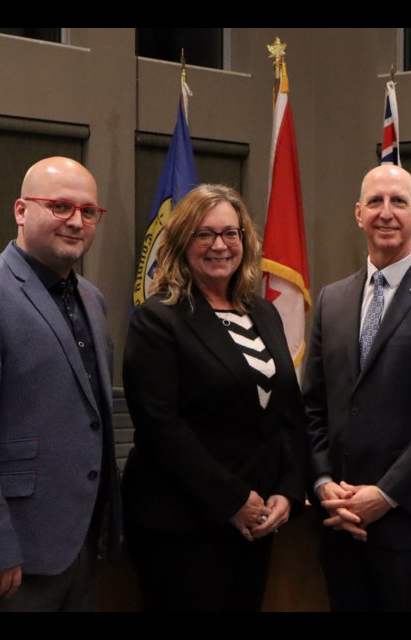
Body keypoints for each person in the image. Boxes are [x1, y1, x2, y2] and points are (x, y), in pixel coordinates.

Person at [0, 157, 120, 611]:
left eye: (88, 211)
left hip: (79, 549)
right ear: (20, 210)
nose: (76, 221)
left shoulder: (92, 299)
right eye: (59, 206)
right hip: (4, 560)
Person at [303, 164, 411, 611]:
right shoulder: (331, 299)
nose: (387, 212)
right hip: (339, 521)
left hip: (410, 527)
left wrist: (384, 495)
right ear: (358, 213)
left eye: (398, 201)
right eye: (376, 202)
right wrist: (324, 484)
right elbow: (313, 408)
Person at [121, 183, 307, 612]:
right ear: (182, 242)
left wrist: (286, 490)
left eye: (230, 233)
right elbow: (160, 425)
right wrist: (233, 500)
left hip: (254, 523)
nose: (219, 245)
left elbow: (287, 413)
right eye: (204, 234)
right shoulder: (158, 319)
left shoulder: (262, 312)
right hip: (182, 526)